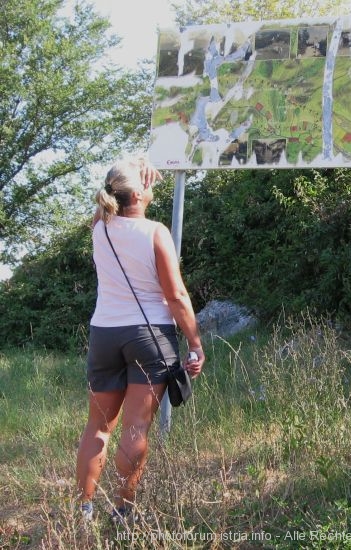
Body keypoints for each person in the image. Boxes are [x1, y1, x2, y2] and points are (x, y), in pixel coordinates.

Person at [76, 156, 204, 522]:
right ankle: (123, 508)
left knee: (97, 426)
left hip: (104, 334)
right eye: (146, 184)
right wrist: (195, 343)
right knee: (135, 427)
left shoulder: (99, 228)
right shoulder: (155, 232)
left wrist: (136, 166)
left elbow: (113, 193)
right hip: (148, 337)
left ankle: (82, 509)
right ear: (138, 192)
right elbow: (177, 295)